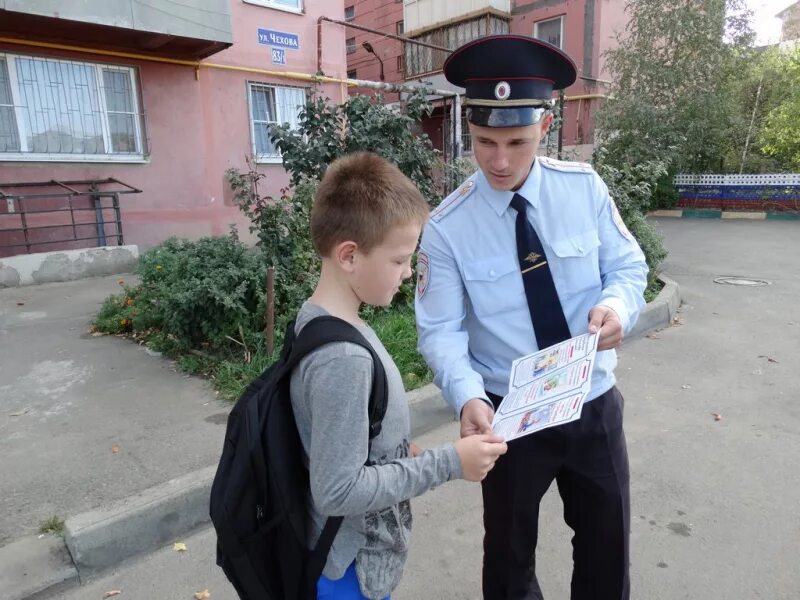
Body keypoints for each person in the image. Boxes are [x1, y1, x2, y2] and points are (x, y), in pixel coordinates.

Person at [415, 35, 649, 600]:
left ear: (545, 126)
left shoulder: (584, 189)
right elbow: (440, 331)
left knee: (606, 545)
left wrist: (617, 309)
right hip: (508, 417)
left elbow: (628, 267)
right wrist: (469, 398)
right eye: (484, 141)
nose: (499, 160)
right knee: (508, 557)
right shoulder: (448, 227)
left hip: (592, 402)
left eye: (516, 141)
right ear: (466, 130)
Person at [290, 151, 508, 600]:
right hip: (349, 573)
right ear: (349, 255)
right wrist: (450, 462)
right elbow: (337, 490)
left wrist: (393, 451)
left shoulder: (320, 319)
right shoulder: (343, 358)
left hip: (342, 560)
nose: (409, 273)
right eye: (399, 260)